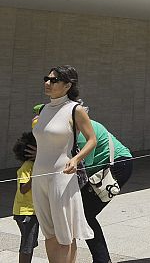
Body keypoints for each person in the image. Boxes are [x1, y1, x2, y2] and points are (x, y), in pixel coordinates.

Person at [32, 66, 97, 263]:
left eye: (54, 80)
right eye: (47, 78)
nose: (48, 83)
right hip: (39, 175)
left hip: (62, 176)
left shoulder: (75, 109)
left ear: (68, 85)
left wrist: (76, 159)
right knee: (49, 232)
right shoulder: (43, 109)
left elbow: (92, 140)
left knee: (64, 232)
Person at [74, 115, 133, 263]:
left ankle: (102, 259)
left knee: (85, 214)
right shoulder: (79, 125)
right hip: (109, 165)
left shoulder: (81, 135)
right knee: (84, 214)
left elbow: (84, 169)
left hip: (118, 165)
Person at [13, 132, 38, 263]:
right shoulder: (27, 166)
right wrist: (35, 178)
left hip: (31, 211)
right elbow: (23, 189)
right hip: (26, 212)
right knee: (27, 245)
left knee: (30, 243)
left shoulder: (34, 165)